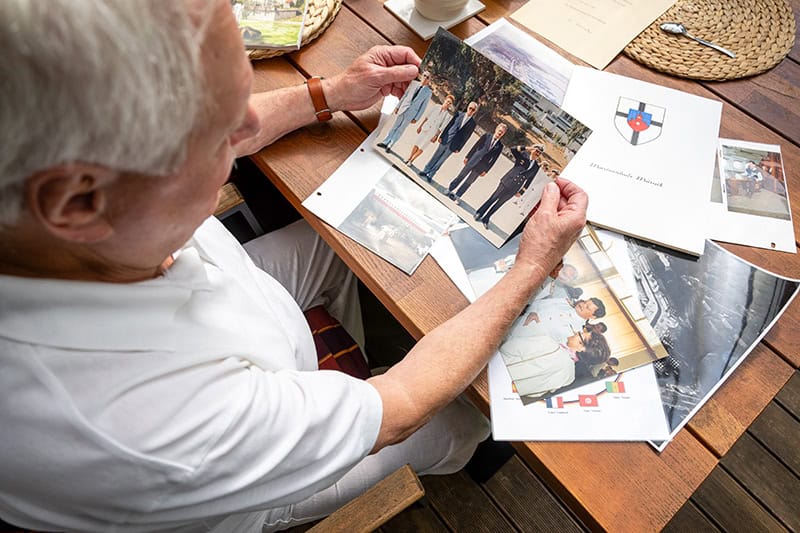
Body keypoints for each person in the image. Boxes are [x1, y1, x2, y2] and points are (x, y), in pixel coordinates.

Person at [0, 1, 589, 531]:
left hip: (244, 296)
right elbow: (403, 405)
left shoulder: (70, 202)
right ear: (77, 203)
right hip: (248, 496)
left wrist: (326, 93)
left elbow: (189, 119)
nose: (248, 131)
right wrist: (532, 265)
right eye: (219, 138)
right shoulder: (140, 425)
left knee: (336, 254)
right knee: (462, 423)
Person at [499, 326, 610, 400]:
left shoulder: (551, 345)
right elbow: (536, 393)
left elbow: (507, 348)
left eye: (581, 334)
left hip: (496, 375)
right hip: (510, 394)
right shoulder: (570, 376)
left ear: (582, 348)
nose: (577, 332)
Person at [474, 144, 544, 229]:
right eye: (536, 150)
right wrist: (526, 148)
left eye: (539, 153)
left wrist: (522, 191)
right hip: (507, 181)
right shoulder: (523, 155)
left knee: (499, 204)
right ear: (532, 149)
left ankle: (486, 218)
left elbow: (530, 180)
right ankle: (480, 213)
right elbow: (513, 148)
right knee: (493, 198)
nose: (537, 153)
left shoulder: (536, 166)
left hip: (515, 188)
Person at [419, 101, 479, 182]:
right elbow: (449, 125)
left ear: (475, 111)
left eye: (473, 110)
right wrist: (441, 136)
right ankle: (425, 170)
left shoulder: (473, 124)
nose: (471, 110)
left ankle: (431, 175)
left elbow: (467, 137)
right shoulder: (458, 114)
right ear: (468, 107)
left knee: (442, 160)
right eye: (470, 108)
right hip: (446, 138)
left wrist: (460, 148)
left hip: (455, 144)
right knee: (436, 155)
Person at [447, 123, 507, 204]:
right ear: (496, 129)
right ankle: (449, 189)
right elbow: (475, 146)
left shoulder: (500, 146)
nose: (500, 133)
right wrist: (467, 157)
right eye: (499, 131)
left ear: (503, 134)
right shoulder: (486, 136)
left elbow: (494, 160)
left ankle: (457, 196)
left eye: (502, 132)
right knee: (461, 176)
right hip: (473, 159)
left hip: (481, 167)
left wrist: (486, 170)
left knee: (469, 182)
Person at [377, 71, 433, 153]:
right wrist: (397, 106)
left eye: (428, 77)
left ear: (429, 80)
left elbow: (423, 107)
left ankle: (390, 145)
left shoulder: (428, 92)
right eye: (425, 76)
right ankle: (385, 142)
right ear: (422, 76)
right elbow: (405, 95)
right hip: (403, 108)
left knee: (401, 129)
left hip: (412, 113)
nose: (425, 78)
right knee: (395, 126)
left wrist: (417, 118)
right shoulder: (414, 84)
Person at [521, 296, 606, 344]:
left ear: (593, 317)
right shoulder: (564, 302)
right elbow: (538, 303)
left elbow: (548, 343)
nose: (582, 305)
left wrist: (537, 323)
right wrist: (531, 312)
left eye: (587, 307)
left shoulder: (575, 333)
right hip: (520, 318)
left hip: (523, 339)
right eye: (585, 302)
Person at [404, 93, 454, 167]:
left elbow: (441, 127)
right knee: (417, 143)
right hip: (425, 127)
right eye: (448, 101)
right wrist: (420, 126)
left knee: (422, 147)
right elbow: (427, 116)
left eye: (450, 103)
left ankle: (411, 161)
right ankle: (409, 158)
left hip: (432, 133)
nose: (448, 103)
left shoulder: (447, 115)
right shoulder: (436, 106)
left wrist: (436, 136)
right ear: (445, 100)